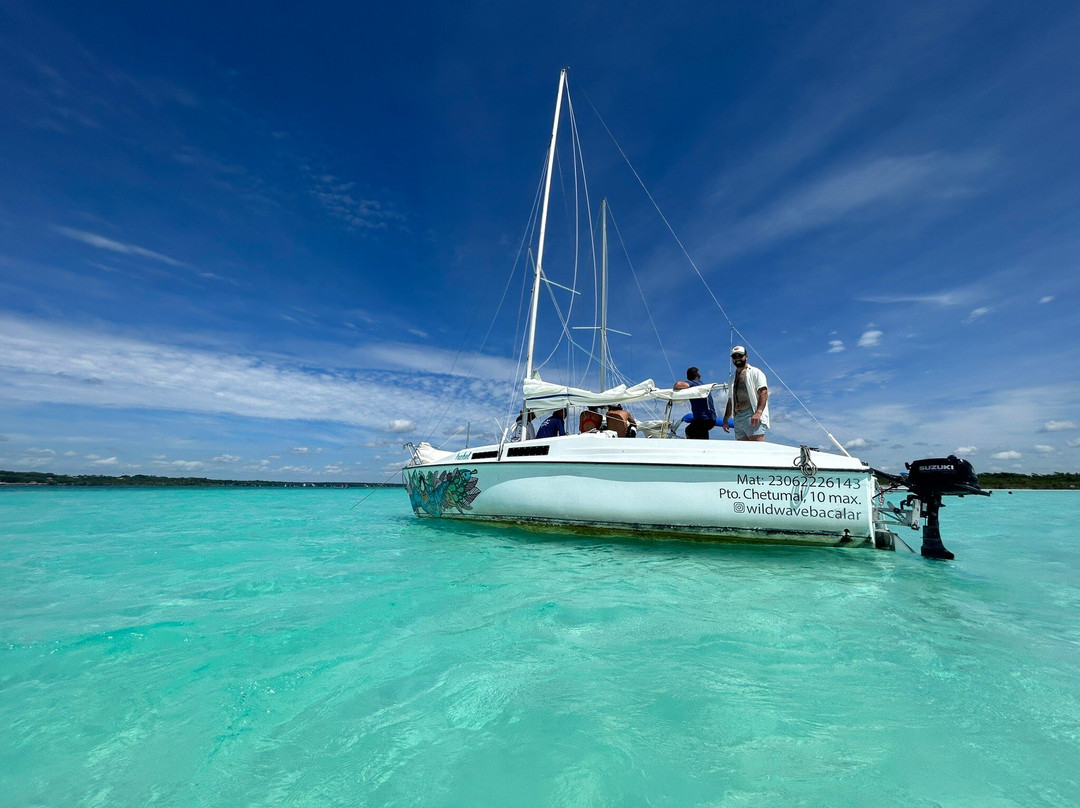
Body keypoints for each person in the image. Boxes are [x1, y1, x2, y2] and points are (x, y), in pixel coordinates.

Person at [722, 346, 769, 441]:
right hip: (737, 417)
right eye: (734, 356)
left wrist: (758, 412)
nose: (737, 358)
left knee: (758, 451)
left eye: (740, 355)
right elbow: (730, 399)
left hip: (751, 414)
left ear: (746, 356)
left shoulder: (755, 372)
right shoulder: (732, 378)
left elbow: (763, 392)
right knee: (744, 452)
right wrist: (726, 419)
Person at [673, 366, 717, 440]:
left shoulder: (695, 384)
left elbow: (677, 385)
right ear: (698, 376)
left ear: (687, 377)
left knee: (689, 430)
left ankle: (694, 447)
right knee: (697, 431)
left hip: (703, 419)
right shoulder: (702, 385)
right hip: (710, 419)